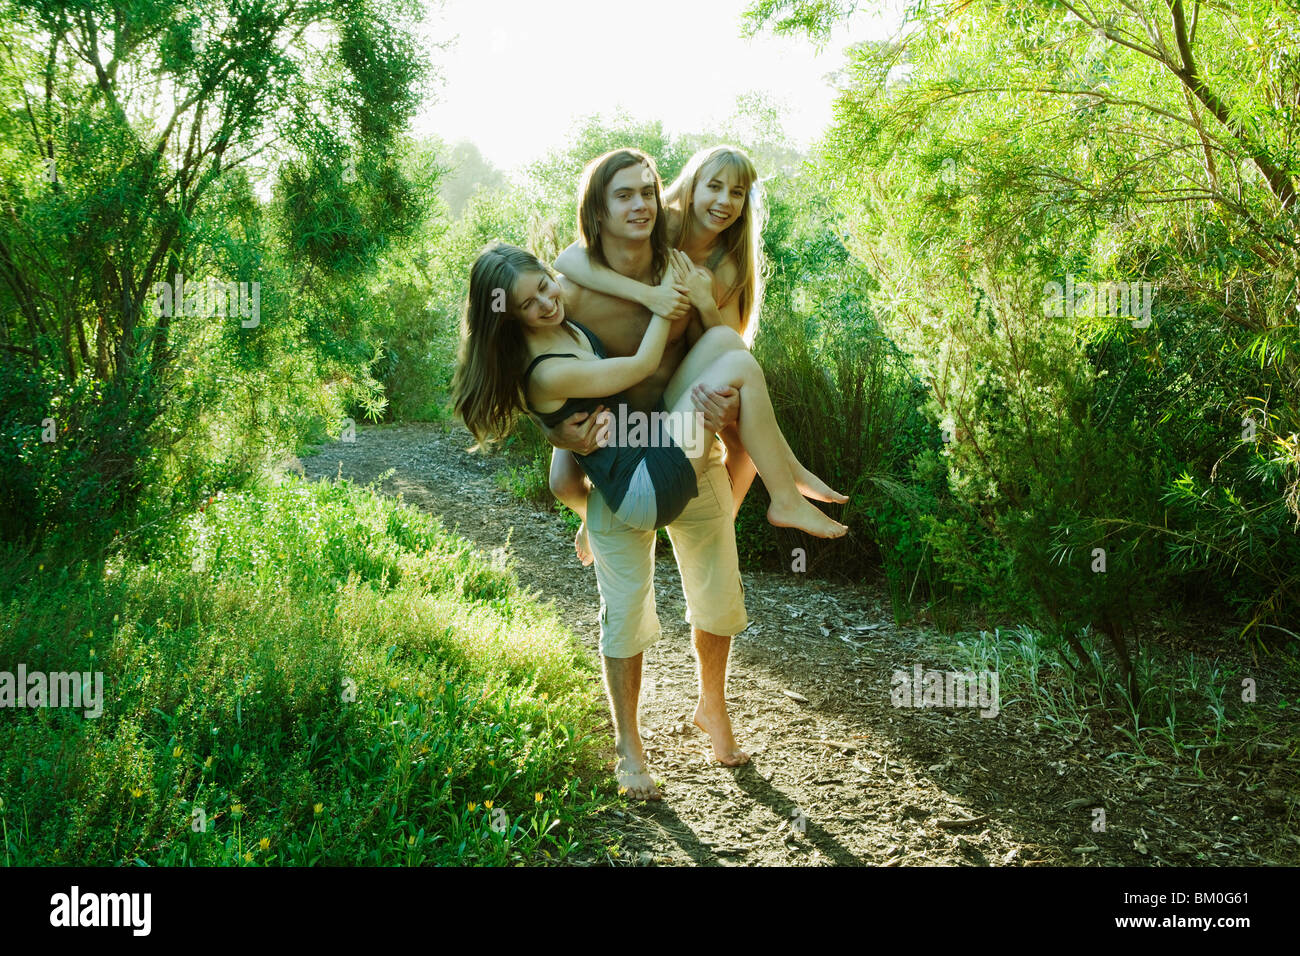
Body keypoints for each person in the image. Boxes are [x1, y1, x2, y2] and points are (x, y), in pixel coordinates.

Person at [453, 241, 848, 536]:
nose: (546, 301)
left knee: (726, 343)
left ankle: (787, 471)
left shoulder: (557, 317)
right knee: (740, 364)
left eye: (543, 285)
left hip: (651, 436)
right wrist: (665, 297)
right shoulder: (545, 372)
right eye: (527, 303)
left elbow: (571, 259)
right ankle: (783, 499)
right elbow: (643, 366)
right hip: (645, 488)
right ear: (507, 315)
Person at [552, 146, 844, 545]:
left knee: (740, 430)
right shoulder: (658, 223)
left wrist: (705, 301)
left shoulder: (732, 264)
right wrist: (646, 295)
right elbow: (568, 260)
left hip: (675, 386)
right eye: (715, 187)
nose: (725, 201)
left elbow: (727, 347)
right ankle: (597, 518)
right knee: (562, 482)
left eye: (738, 193)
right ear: (691, 187)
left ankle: (740, 517)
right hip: (614, 386)